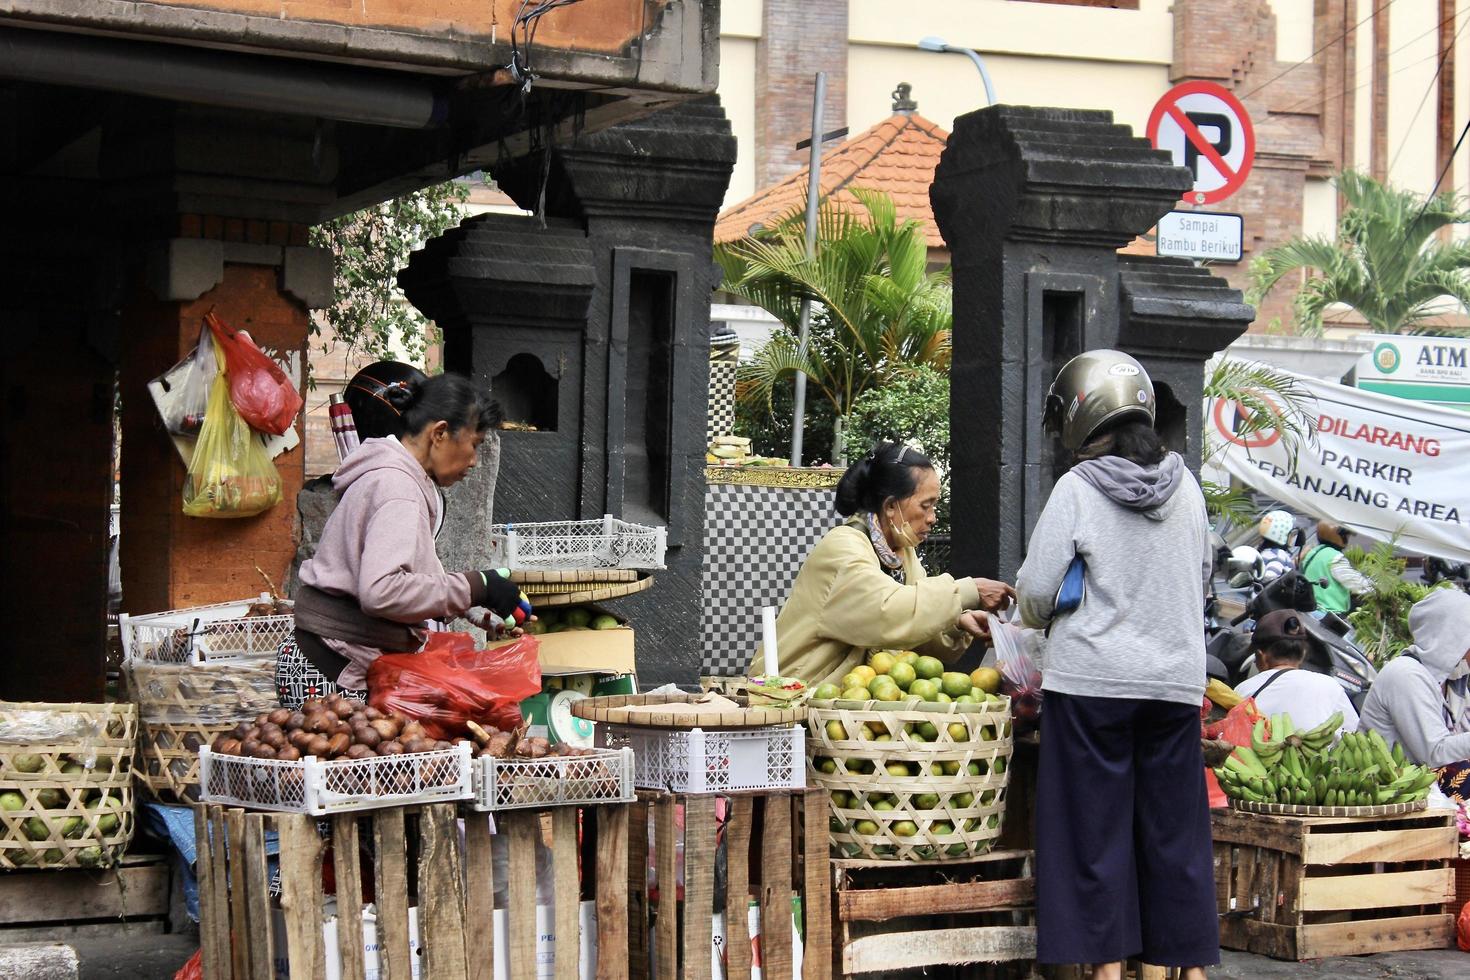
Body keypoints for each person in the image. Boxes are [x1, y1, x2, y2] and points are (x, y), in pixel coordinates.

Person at [1016, 349, 1216, 980]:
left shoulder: (1077, 487)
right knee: (1173, 835)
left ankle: (1105, 970)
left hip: (1092, 684)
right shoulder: (1188, 488)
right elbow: (1203, 577)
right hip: (1175, 685)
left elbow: (1037, 591)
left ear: (1081, 417)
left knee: (1092, 833)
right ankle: (1172, 967)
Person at [276, 373, 527, 706]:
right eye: (474, 444)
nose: (473, 461)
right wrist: (476, 586)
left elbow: (410, 578)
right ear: (439, 433)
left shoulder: (394, 477)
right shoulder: (399, 489)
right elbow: (381, 592)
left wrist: (476, 608)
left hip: (322, 658)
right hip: (332, 671)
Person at [750, 440, 1013, 687]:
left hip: (850, 707)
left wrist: (956, 623)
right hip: (792, 697)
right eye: (925, 506)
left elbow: (912, 626)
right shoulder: (842, 548)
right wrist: (969, 591)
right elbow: (888, 612)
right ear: (890, 507)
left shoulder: (903, 554)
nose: (932, 518)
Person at [1356, 589, 1470, 771]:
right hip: (1388, 788)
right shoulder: (1405, 674)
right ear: (1451, 640)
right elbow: (1435, 753)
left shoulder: (1453, 678)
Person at [1234, 609, 1357, 736]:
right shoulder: (1331, 685)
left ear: (1260, 656)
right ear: (1303, 654)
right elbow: (1354, 734)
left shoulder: (1244, 690)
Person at [1299, 519, 1372, 614]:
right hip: (1326, 614)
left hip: (1309, 609)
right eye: (1346, 535)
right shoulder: (1334, 557)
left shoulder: (1313, 552)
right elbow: (1357, 584)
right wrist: (1380, 587)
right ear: (1339, 535)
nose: (1348, 538)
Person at [1256, 509, 1298, 582]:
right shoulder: (1279, 556)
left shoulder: (1262, 552)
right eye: (1292, 535)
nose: (1293, 538)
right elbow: (1270, 579)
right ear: (1282, 535)